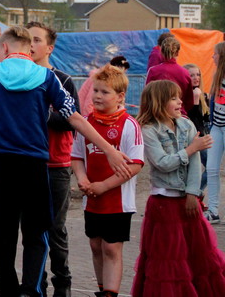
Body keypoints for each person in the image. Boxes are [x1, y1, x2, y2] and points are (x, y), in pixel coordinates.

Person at [0, 25, 132, 297]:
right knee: (36, 235)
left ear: (4, 48)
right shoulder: (46, 77)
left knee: (1, 237)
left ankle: (8, 292)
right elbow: (75, 118)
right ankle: (31, 291)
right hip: (34, 167)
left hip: (1, 167)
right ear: (29, 49)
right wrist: (109, 149)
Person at [131, 80, 225, 297]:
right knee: (168, 259)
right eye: (174, 98)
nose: (180, 102)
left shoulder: (186, 125)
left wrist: (192, 193)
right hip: (163, 204)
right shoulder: (149, 130)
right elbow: (162, 163)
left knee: (197, 255)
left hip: (187, 201)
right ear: (159, 102)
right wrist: (191, 149)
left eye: (179, 98)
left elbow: (195, 164)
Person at [71, 65, 144, 297]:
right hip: (92, 198)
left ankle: (110, 293)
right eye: (96, 91)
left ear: (120, 96)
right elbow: (76, 156)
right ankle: (102, 288)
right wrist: (82, 178)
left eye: (105, 92)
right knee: (95, 245)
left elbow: (135, 165)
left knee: (111, 247)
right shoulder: (85, 122)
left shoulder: (130, 124)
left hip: (118, 201)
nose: (98, 96)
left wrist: (103, 186)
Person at [26, 21, 77, 297]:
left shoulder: (63, 80)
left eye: (37, 40)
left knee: (55, 228)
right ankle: (37, 284)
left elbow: (72, 119)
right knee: (32, 229)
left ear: (50, 48)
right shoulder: (19, 78)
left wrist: (42, 115)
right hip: (27, 163)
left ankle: (62, 283)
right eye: (28, 39)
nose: (31, 44)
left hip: (56, 164)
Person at [145, 36, 194, 116]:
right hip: (179, 113)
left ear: (161, 52)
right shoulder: (185, 72)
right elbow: (189, 101)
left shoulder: (153, 71)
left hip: (158, 114)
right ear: (177, 53)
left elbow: (147, 95)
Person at [204, 41, 225, 224]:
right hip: (216, 127)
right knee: (211, 168)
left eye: (215, 54)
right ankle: (213, 211)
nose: (213, 57)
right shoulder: (217, 75)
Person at [185, 62, 210, 193]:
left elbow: (205, 119)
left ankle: (195, 193)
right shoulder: (184, 96)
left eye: (198, 74)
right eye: (192, 75)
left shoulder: (203, 95)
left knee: (211, 168)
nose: (196, 78)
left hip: (202, 136)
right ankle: (194, 193)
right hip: (191, 137)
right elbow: (190, 119)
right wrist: (195, 100)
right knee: (208, 168)